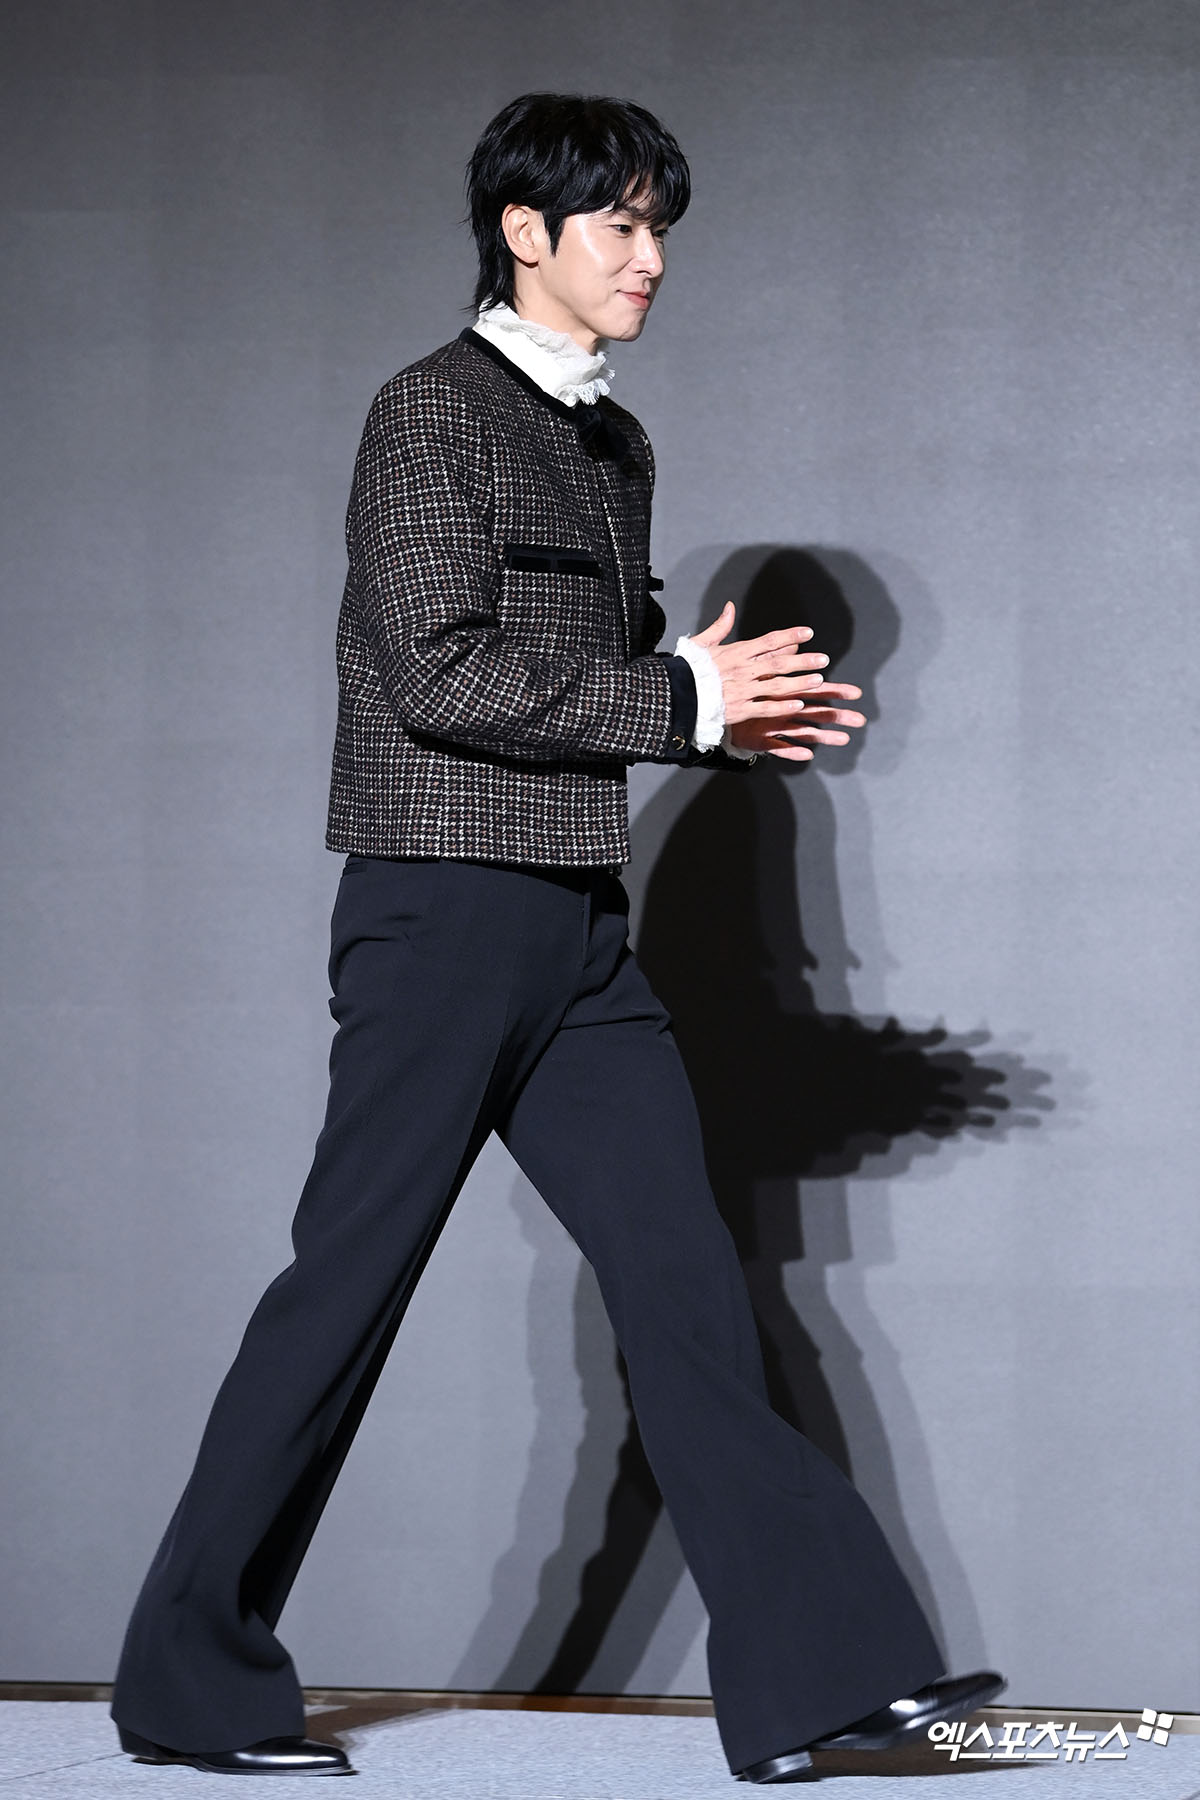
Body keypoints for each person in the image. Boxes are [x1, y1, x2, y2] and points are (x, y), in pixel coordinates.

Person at [111, 92, 1003, 1783]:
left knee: (689, 1292)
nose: (651, 258)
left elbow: (602, 680)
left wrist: (721, 709)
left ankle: (821, 1681)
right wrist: (681, 699)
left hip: (582, 930)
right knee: (343, 1296)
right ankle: (186, 1679)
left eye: (663, 229)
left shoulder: (615, 445)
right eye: (623, 225)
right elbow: (437, 669)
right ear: (527, 232)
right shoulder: (426, 412)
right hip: (439, 912)